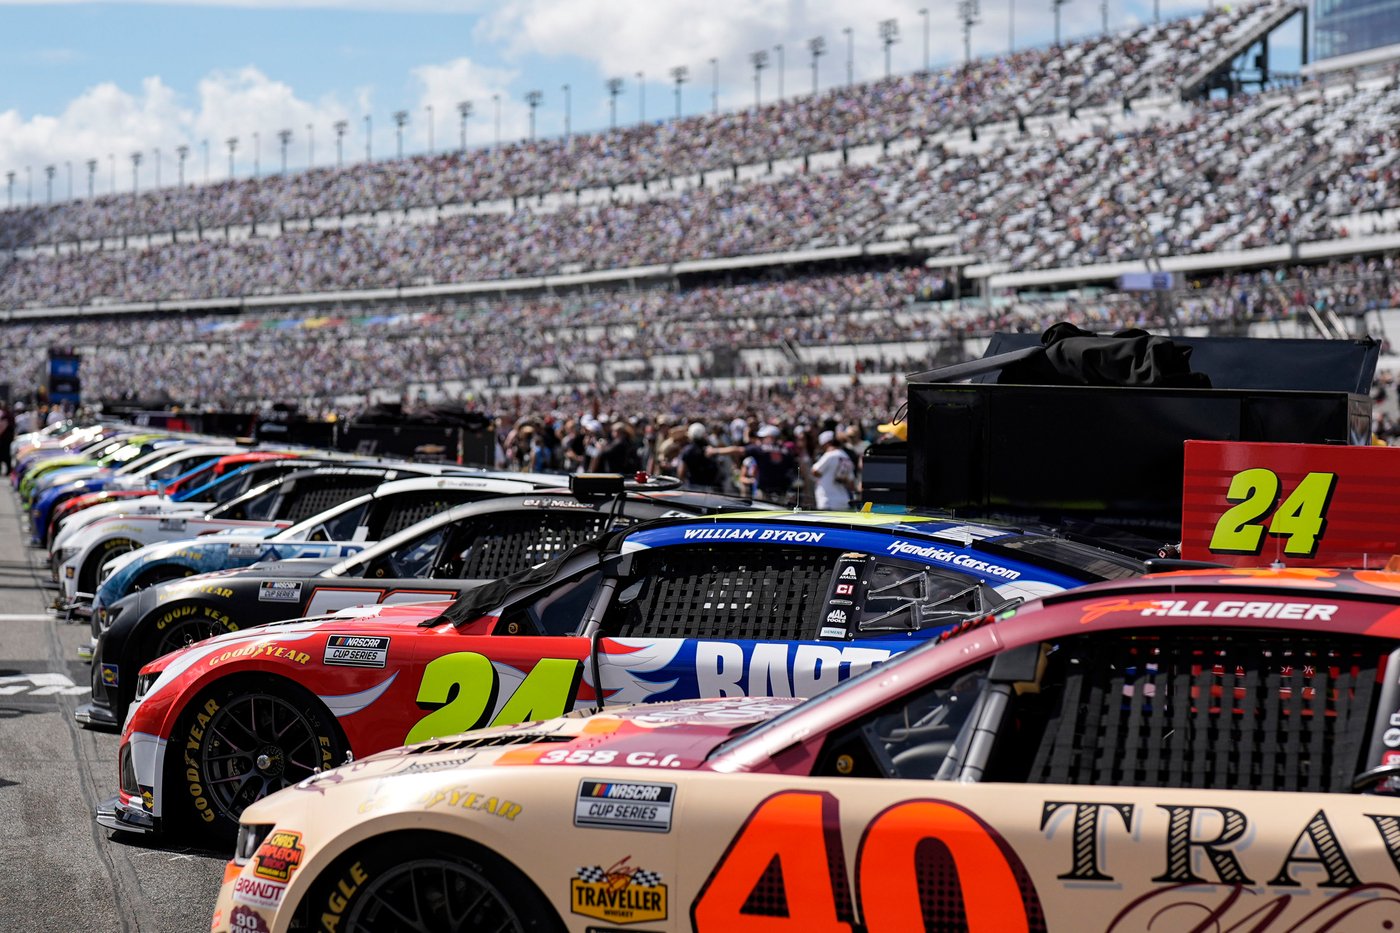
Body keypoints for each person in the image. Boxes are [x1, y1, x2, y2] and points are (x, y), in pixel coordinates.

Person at [810, 430, 855, 510]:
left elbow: (815, 470)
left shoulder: (830, 455)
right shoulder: (846, 456)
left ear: (827, 443)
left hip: (828, 500)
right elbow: (851, 483)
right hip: (843, 500)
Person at [675, 422, 723, 492]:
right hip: (709, 488)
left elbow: (681, 472)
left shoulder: (687, 450)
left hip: (692, 488)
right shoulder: (710, 449)